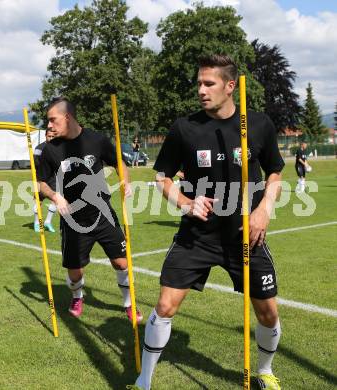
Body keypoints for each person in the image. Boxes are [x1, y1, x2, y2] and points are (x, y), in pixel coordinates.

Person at [128, 55, 284, 390]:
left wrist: (264, 209)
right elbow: (162, 178)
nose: (201, 90)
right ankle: (143, 382)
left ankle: (266, 372)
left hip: (246, 235)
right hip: (197, 236)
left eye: (209, 83)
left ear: (231, 87)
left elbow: (275, 171)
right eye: (198, 83)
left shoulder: (258, 124)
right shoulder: (184, 127)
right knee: (166, 305)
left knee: (267, 313)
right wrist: (186, 204)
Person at [36, 97, 142, 323]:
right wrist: (55, 196)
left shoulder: (97, 140)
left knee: (121, 262)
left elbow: (119, 162)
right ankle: (77, 296)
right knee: (76, 271)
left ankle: (129, 303)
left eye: (53, 120)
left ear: (67, 117)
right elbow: (41, 182)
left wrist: (126, 181)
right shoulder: (50, 150)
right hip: (72, 219)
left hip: (102, 213)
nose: (49, 126)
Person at [33, 129, 57, 233]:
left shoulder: (57, 148)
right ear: (45, 136)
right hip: (40, 178)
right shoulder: (39, 148)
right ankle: (37, 223)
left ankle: (48, 222)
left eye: (53, 136)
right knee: (38, 201)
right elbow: (36, 163)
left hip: (53, 178)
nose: (51, 138)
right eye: (49, 136)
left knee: (56, 199)